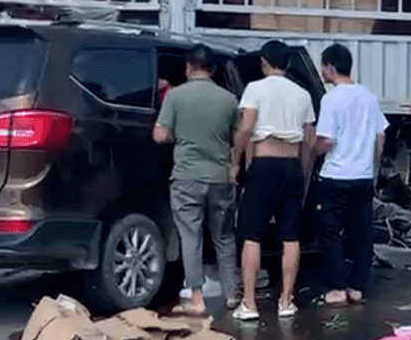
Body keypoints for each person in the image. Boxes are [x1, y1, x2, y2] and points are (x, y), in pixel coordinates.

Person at [230, 40, 316, 321]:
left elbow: (246, 128)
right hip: (291, 165)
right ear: (289, 64)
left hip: (264, 164)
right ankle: (286, 300)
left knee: (252, 234)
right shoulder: (302, 94)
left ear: (264, 62)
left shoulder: (255, 88)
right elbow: (309, 141)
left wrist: (235, 161)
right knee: (291, 235)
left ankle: (250, 304)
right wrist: (303, 174)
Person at [153, 45, 240, 315]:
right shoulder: (229, 99)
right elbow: (236, 139)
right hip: (220, 177)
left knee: (190, 237)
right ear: (213, 69)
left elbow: (159, 135)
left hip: (187, 177)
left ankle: (197, 298)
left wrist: (174, 135)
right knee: (224, 236)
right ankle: (231, 294)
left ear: (189, 67)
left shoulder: (176, 97)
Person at [312, 43, 388, 306]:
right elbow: (381, 136)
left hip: (335, 177)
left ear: (331, 67)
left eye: (323, 66)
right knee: (362, 234)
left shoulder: (330, 99)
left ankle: (336, 289)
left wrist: (311, 152)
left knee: (330, 231)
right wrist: (371, 167)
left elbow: (326, 141)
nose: (321, 71)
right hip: (363, 178)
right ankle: (357, 288)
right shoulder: (369, 97)